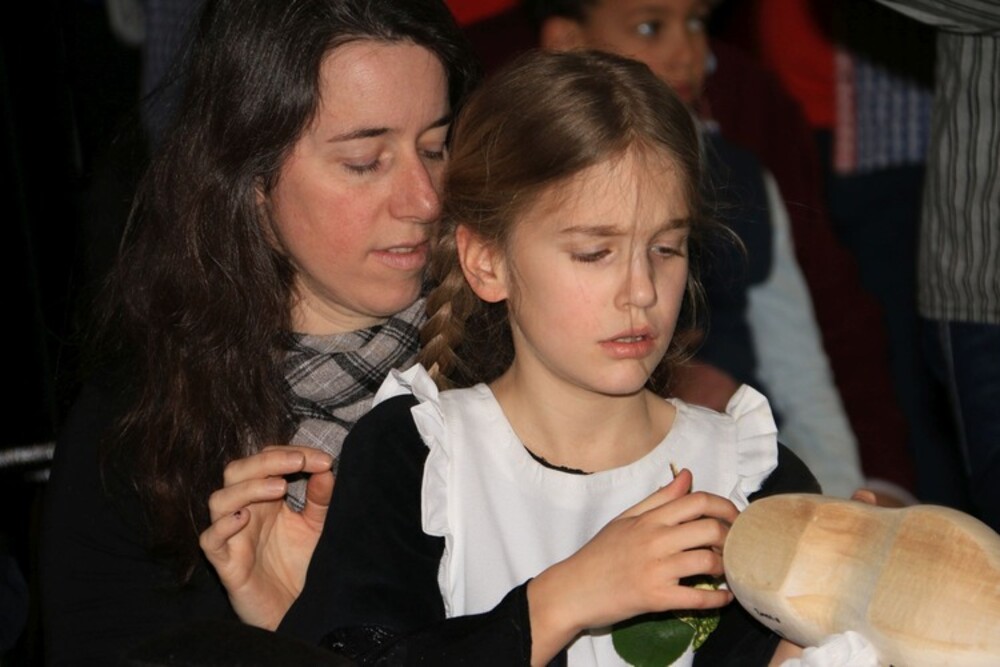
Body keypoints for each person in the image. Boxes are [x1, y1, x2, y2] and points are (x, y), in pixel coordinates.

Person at [211, 49, 823, 666]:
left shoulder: (753, 478)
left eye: (665, 248)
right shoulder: (418, 455)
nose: (641, 291)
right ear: (487, 262)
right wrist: (561, 601)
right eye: (594, 253)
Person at [39, 0, 476, 662]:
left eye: (435, 148)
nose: (425, 197)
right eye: (365, 161)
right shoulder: (142, 432)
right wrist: (297, 633)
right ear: (250, 180)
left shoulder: (527, 358)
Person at [523, 0, 869, 498]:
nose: (686, 51)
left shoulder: (742, 178)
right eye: (650, 27)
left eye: (696, 23)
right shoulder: (527, 177)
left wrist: (839, 498)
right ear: (566, 39)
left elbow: (798, 368)